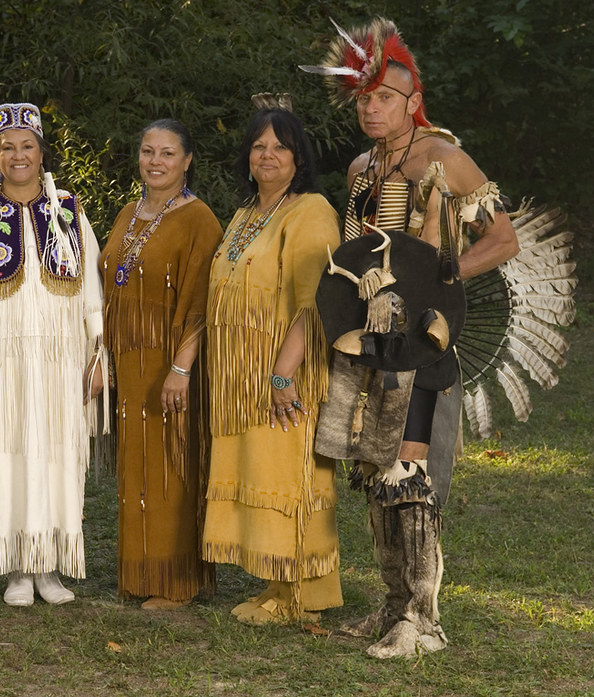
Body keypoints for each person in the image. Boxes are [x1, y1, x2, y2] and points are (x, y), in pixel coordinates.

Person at [301, 18, 520, 657]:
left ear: (412, 100)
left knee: (408, 468)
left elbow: (500, 238)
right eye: (365, 99)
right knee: (375, 465)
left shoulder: (442, 159)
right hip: (371, 339)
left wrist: (443, 276)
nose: (372, 108)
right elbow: (356, 253)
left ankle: (424, 621)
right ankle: (393, 606)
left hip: (424, 339)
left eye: (385, 98)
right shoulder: (361, 168)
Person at [0, 103, 107, 606]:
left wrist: (96, 361)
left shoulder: (69, 211)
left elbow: (92, 290)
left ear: (42, 152)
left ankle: (49, 565)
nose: (18, 155)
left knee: (56, 457)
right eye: (8, 147)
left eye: (27, 145)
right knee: (4, 456)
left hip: (59, 363)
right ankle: (15, 569)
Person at [201, 96, 343, 626]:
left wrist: (283, 372)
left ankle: (299, 597)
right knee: (263, 475)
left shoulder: (312, 211)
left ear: (298, 158)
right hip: (243, 379)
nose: (268, 155)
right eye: (259, 146)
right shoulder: (244, 215)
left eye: (279, 147)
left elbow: (315, 302)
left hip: (285, 374)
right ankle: (274, 584)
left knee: (291, 480)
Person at [100, 119, 223, 610]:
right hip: (128, 362)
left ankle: (177, 581)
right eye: (148, 151)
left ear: (187, 160)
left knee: (173, 466)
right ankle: (139, 573)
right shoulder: (130, 212)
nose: (156, 161)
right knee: (137, 470)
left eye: (167, 153)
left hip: (170, 362)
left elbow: (201, 304)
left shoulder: (200, 220)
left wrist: (182, 367)